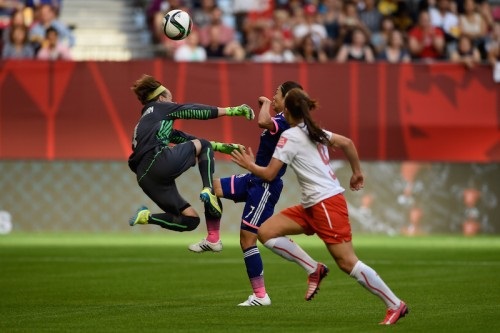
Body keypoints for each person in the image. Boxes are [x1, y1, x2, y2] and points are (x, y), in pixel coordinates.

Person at [231, 88, 408, 325]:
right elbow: (346, 142)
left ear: (287, 111)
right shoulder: (313, 131)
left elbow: (270, 174)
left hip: (326, 203)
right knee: (266, 231)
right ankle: (313, 268)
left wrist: (249, 164)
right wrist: (356, 172)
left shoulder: (290, 137)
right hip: (313, 204)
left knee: (347, 262)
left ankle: (395, 304)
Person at [188, 81, 303, 307]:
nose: (273, 95)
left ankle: (261, 296)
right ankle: (213, 239)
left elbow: (262, 121)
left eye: (277, 93)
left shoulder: (283, 121)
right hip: (253, 177)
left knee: (247, 240)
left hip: (265, 186)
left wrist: (266, 104)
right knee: (211, 187)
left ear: (287, 100)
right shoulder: (281, 121)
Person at [128, 74, 255, 234]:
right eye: (171, 99)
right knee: (203, 144)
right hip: (156, 161)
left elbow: (185, 139)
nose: (174, 103)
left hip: (145, 178)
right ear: (161, 99)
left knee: (191, 220)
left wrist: (221, 147)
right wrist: (232, 111)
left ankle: (147, 217)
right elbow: (193, 111)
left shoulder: (148, 121)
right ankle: (208, 189)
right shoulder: (159, 108)